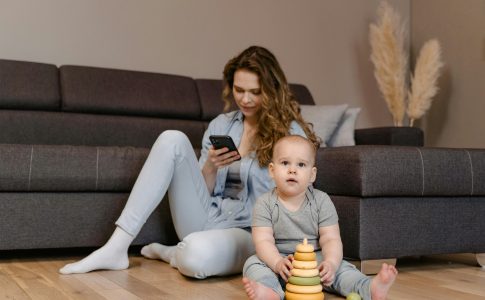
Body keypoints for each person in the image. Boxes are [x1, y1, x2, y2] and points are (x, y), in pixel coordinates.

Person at [59, 46, 319, 279]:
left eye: (255, 92)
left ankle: (175, 253)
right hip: (208, 217)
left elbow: (297, 195)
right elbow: (200, 192)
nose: (245, 100)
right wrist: (211, 167)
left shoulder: (291, 134)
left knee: (194, 258)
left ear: (272, 92)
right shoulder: (222, 124)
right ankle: (117, 247)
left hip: (250, 232)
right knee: (171, 139)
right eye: (239, 90)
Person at [242, 135, 398, 300]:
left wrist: (330, 263)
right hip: (280, 263)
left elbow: (331, 239)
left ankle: (369, 288)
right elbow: (263, 241)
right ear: (272, 170)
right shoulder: (264, 203)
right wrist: (277, 262)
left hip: (315, 263)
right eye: (285, 163)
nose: (292, 170)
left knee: (341, 268)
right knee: (253, 264)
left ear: (312, 175)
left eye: (301, 164)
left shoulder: (322, 201)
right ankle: (270, 291)